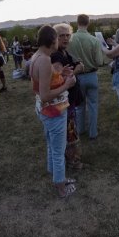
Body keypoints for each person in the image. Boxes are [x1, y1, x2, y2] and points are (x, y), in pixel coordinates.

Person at [30, 25, 78, 199]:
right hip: (53, 111)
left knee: (52, 144)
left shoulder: (38, 56)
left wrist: (60, 73)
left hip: (47, 111)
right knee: (59, 150)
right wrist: (66, 84)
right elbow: (44, 95)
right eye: (58, 38)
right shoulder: (43, 60)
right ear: (52, 41)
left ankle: (55, 174)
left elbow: (44, 81)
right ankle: (61, 185)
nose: (60, 40)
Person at [51, 23, 84, 170]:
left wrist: (75, 68)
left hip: (70, 99)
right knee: (70, 132)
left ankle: (69, 158)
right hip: (64, 101)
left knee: (70, 129)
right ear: (55, 38)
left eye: (67, 35)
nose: (65, 38)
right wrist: (76, 70)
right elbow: (61, 79)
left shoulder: (65, 53)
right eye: (61, 35)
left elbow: (76, 65)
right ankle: (73, 161)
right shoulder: (56, 55)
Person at [68, 14, 103, 140]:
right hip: (92, 75)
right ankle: (93, 133)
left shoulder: (70, 39)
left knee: (79, 105)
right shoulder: (94, 40)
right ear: (88, 23)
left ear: (77, 23)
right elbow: (99, 61)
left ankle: (81, 129)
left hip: (77, 77)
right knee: (93, 105)